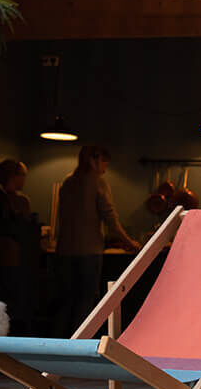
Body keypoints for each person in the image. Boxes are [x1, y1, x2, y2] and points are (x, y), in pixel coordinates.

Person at [54, 144, 139, 337]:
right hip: (88, 251)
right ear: (95, 160)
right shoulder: (97, 183)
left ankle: (56, 344)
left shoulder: (67, 182)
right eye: (104, 162)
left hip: (64, 251)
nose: (105, 168)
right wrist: (130, 242)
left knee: (65, 301)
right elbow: (111, 220)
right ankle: (78, 343)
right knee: (85, 301)